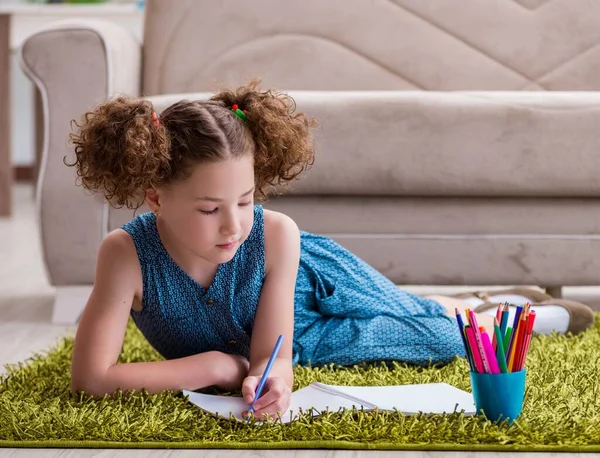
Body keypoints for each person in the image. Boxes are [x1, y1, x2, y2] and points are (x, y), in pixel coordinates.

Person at [68, 80, 595, 419]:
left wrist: (260, 368)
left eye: (247, 201)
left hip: (314, 279)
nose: (234, 226)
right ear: (155, 196)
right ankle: (468, 310)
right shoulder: (125, 255)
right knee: (438, 340)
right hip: (311, 338)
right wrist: (218, 369)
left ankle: (482, 303)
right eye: (209, 210)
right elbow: (91, 378)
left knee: (405, 306)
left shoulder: (275, 234)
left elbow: (268, 350)